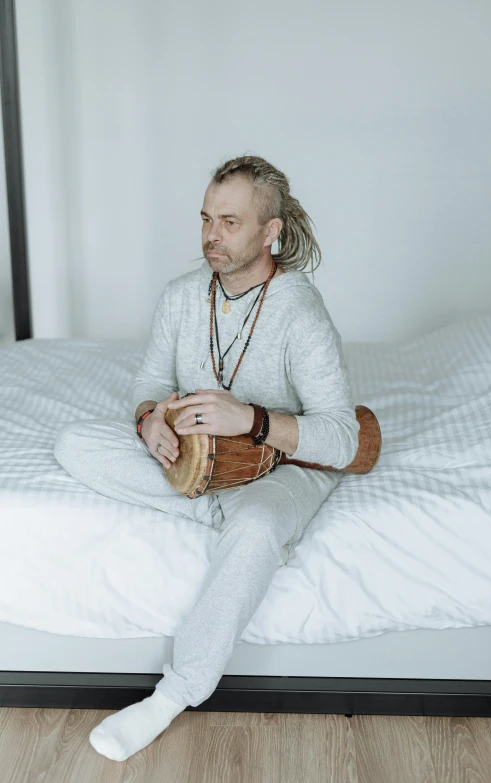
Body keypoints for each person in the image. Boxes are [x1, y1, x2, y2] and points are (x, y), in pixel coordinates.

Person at [53, 154, 360, 762]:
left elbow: (343, 439)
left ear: (270, 232)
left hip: (281, 468)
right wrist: (149, 423)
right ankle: (222, 519)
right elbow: (146, 383)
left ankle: (173, 694)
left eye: (229, 221)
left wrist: (251, 419)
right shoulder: (181, 296)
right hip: (194, 463)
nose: (209, 236)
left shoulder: (301, 312)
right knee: (73, 444)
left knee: (259, 521)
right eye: (204, 219)